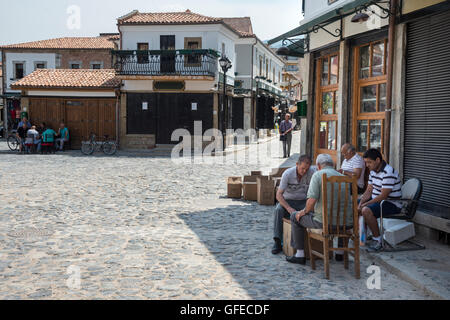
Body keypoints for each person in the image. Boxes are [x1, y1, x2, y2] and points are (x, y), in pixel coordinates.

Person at [287, 154, 353, 265]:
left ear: (318, 165)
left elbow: (311, 202)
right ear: (332, 165)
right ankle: (340, 253)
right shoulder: (344, 178)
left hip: (325, 223)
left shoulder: (318, 175)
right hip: (346, 223)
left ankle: (300, 254)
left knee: (294, 217)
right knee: (340, 214)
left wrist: (302, 212)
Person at [359, 149, 402, 252]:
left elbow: (383, 195)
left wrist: (365, 204)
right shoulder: (372, 172)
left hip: (391, 204)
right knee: (356, 205)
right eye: (366, 162)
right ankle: (363, 235)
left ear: (378, 160)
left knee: (366, 210)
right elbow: (369, 190)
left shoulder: (388, 172)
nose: (367, 165)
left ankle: (378, 240)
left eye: (369, 162)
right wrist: (360, 202)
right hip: (378, 201)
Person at [272, 155, 315, 255]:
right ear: (297, 165)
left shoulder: (313, 172)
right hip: (288, 201)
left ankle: (311, 242)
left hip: (304, 201)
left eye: (307, 169)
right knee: (278, 210)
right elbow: (278, 195)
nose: (304, 171)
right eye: (302, 168)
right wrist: (288, 207)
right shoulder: (287, 174)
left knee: (313, 211)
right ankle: (277, 241)